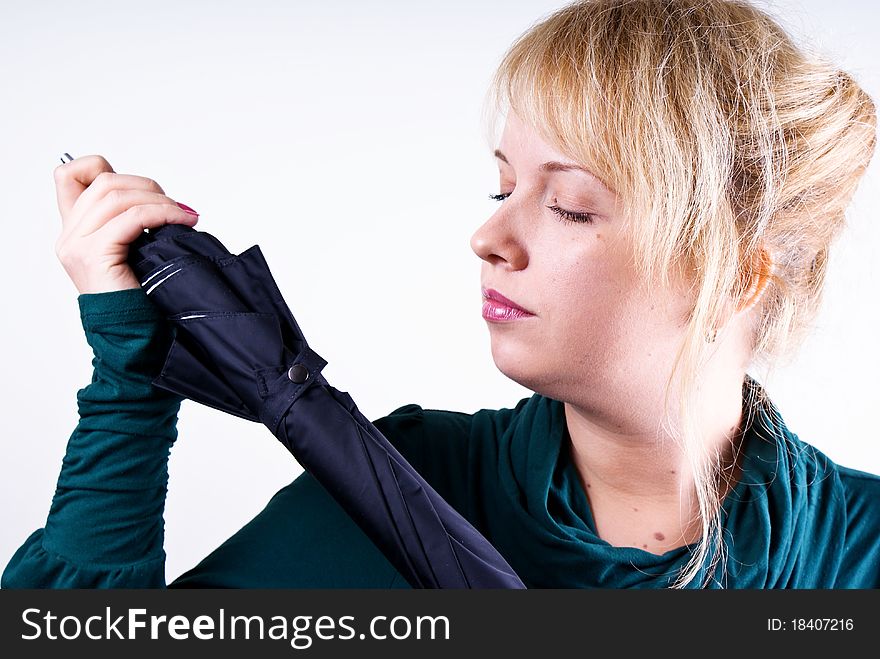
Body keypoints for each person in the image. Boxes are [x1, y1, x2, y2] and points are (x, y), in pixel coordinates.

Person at [3, 0, 878, 589]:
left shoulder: (859, 552)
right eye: (503, 190)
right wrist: (129, 385)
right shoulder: (398, 483)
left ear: (739, 271)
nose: (489, 238)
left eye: (570, 204)